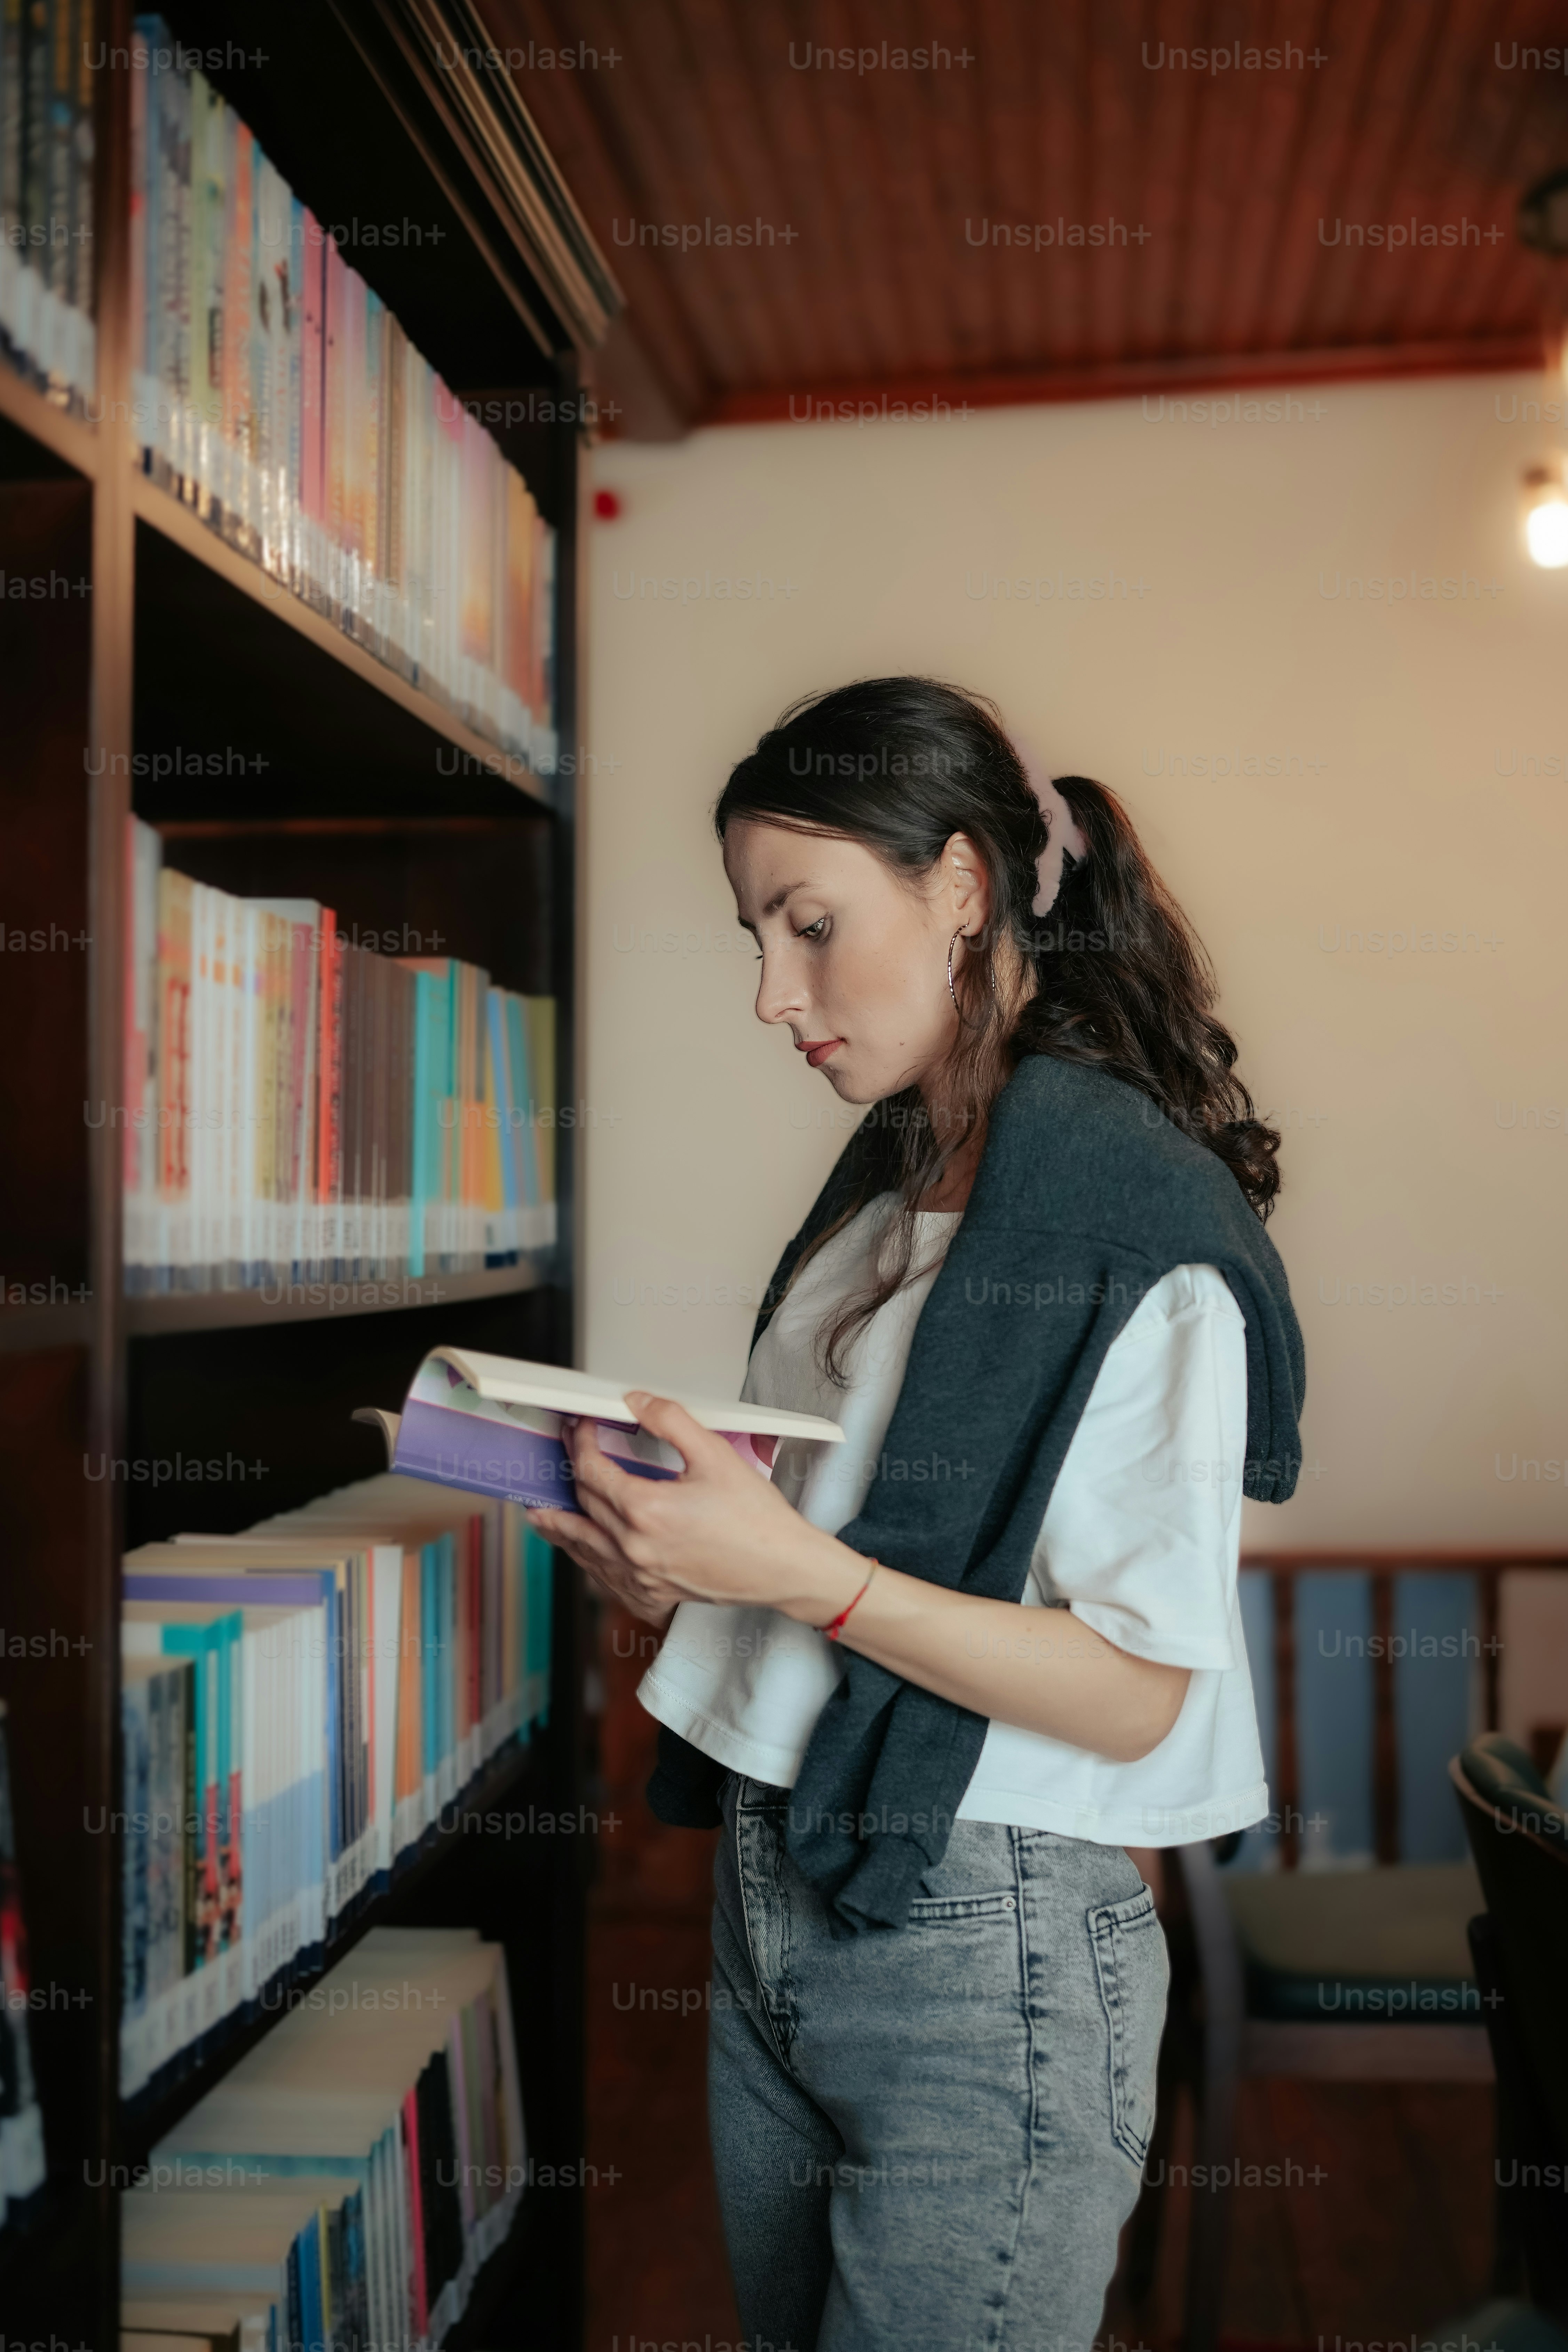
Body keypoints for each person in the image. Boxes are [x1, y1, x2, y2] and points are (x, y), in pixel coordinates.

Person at [527, 677, 1305, 2352]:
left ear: (960, 887)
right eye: (754, 936)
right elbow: (816, 1585)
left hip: (988, 1934)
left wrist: (795, 1572)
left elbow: (1133, 1687)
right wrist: (664, 1581)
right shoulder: (883, 1194)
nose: (769, 994)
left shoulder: (1126, 1216)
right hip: (775, 1883)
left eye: (809, 926)